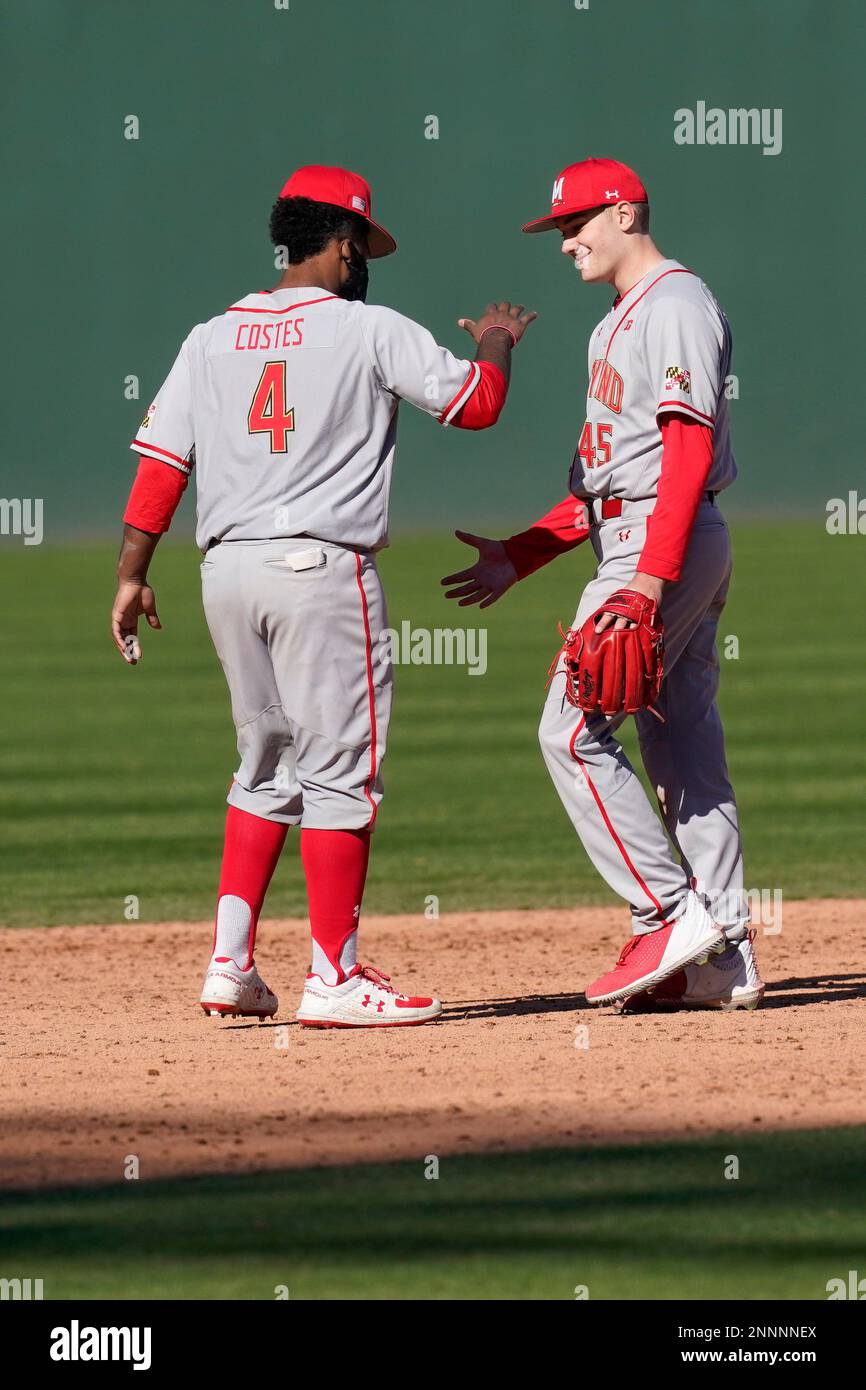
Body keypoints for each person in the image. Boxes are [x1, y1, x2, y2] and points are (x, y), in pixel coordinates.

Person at [111, 164, 536, 1027]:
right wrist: (497, 337)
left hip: (225, 573)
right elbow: (478, 404)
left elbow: (162, 464)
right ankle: (336, 978)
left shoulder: (211, 336)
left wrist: (129, 572)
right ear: (341, 244)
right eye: (363, 247)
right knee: (343, 775)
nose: (365, 262)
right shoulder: (368, 329)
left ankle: (230, 962)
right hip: (320, 573)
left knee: (264, 766)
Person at [442, 157, 763, 1012]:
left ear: (626, 213)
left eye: (578, 223)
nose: (565, 242)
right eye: (558, 229)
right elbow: (603, 481)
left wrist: (647, 584)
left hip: (661, 544)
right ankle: (722, 954)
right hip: (642, 534)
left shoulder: (677, 304)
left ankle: (664, 914)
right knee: (682, 744)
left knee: (572, 728)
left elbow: (685, 453)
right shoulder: (615, 322)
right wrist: (521, 554)